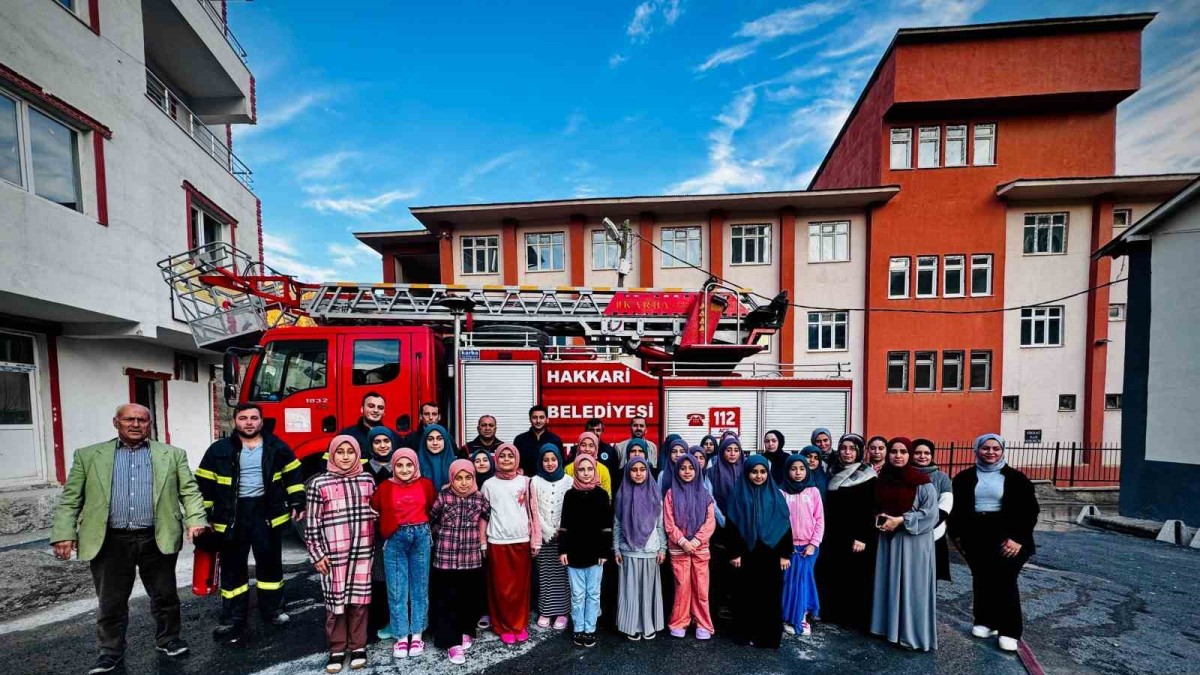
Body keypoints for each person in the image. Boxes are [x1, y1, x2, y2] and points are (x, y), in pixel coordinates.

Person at [50, 403, 207, 674]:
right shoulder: (89, 456)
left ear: (149, 424)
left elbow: (189, 491)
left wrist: (195, 519)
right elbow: (71, 499)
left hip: (156, 537)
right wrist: (64, 533)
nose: (135, 425)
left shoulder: (172, 454)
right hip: (111, 541)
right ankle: (110, 651)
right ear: (116, 423)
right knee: (111, 601)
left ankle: (168, 639)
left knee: (165, 595)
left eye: (142, 420)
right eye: (129, 420)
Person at [197, 403, 305, 644]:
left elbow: (294, 475)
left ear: (261, 421)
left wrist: (297, 501)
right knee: (232, 566)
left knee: (270, 563)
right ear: (235, 421)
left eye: (254, 418)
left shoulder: (277, 447)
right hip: (232, 515)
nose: (249, 422)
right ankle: (232, 617)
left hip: (266, 513)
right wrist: (202, 517)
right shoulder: (218, 450)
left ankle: (273, 610)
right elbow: (204, 484)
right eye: (243, 418)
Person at [949, 433, 1039, 653]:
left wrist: (1018, 539)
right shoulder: (964, 478)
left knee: (1005, 580)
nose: (990, 452)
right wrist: (958, 537)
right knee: (982, 578)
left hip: (1009, 535)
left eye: (996, 448)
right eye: (985, 448)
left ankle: (1010, 631)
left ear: (1002, 451)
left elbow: (1029, 511)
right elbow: (956, 509)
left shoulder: (1017, 478)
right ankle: (985, 621)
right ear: (977, 450)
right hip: (976, 536)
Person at [305, 436, 377, 673]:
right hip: (333, 553)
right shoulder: (319, 483)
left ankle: (358, 646)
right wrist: (317, 554)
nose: (345, 457)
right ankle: (337, 648)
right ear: (332, 455)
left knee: (359, 601)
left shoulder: (367, 480)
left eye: (350, 452)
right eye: (340, 452)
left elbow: (376, 510)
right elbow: (312, 522)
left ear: (357, 454)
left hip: (362, 551)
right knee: (335, 601)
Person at [870, 437, 939, 652]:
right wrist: (880, 517)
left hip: (913, 542)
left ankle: (912, 635)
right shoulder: (883, 480)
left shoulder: (922, 483)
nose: (898, 456)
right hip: (888, 540)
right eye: (894, 451)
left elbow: (931, 515)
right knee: (889, 582)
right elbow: (876, 505)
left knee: (913, 587)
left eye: (903, 452)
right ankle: (888, 630)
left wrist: (901, 520)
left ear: (909, 455)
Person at [370, 448, 436, 659]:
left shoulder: (425, 485)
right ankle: (401, 636)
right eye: (399, 465)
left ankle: (417, 634)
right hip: (395, 538)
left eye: (409, 465)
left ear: (415, 465)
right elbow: (375, 508)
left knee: (420, 587)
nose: (405, 469)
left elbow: (433, 507)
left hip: (421, 536)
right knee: (397, 588)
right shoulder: (385, 487)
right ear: (393, 466)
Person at [725, 455, 793, 649]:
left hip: (770, 553)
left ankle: (767, 637)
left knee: (769, 596)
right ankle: (745, 633)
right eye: (754, 472)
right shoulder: (738, 495)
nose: (759, 476)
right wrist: (735, 553)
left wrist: (784, 554)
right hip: (747, 553)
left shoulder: (775, 495)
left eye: (763, 472)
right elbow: (732, 525)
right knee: (746, 595)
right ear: (747, 472)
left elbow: (785, 525)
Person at [428, 459, 491, 666]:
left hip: (471, 559)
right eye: (459, 478)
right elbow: (431, 518)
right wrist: (440, 533)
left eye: (468, 478)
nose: (463, 482)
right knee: (447, 600)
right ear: (452, 479)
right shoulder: (444, 496)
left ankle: (466, 629)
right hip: (445, 559)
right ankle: (451, 642)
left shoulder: (479, 498)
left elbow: (488, 516)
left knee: (468, 598)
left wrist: (482, 540)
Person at [813, 432, 878, 632]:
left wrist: (862, 537)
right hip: (833, 534)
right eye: (843, 448)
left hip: (855, 536)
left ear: (859, 451)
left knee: (854, 577)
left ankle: (852, 618)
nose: (847, 452)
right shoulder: (833, 471)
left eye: (852, 449)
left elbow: (870, 509)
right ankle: (833, 613)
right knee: (834, 573)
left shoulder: (867, 475)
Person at [479, 443, 542, 643]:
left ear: (517, 459)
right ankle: (502, 626)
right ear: (496, 459)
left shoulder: (526, 481)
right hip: (497, 542)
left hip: (522, 540)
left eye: (510, 456)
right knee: (500, 588)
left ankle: (518, 624)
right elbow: (483, 516)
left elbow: (533, 512)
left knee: (520, 588)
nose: (506, 459)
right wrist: (483, 542)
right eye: (502, 456)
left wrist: (536, 540)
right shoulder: (488, 485)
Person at [559, 454, 612, 648]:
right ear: (575, 471)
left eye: (590, 469)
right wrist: (563, 550)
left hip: (596, 554)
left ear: (595, 470)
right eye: (581, 469)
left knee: (593, 593)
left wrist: (604, 552)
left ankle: (590, 629)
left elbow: (606, 526)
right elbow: (564, 524)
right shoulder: (570, 495)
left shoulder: (602, 495)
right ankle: (578, 628)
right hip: (574, 553)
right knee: (577, 594)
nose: (586, 473)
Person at [663, 455, 717, 639]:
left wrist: (695, 541)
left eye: (691, 468)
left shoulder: (705, 494)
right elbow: (669, 522)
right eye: (683, 468)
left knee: (701, 588)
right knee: (682, 587)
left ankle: (702, 623)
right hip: (679, 549)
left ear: (697, 470)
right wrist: (683, 541)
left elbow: (710, 522)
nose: (687, 472)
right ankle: (680, 621)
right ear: (677, 470)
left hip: (700, 549)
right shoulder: (671, 494)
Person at [613, 457, 667, 641]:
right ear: (628, 472)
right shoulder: (622, 494)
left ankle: (648, 625)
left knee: (648, 591)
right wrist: (616, 549)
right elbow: (617, 525)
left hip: (650, 550)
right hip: (628, 550)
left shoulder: (655, 494)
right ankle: (631, 626)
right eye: (634, 470)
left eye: (642, 470)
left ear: (647, 472)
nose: (638, 473)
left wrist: (662, 549)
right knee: (630, 591)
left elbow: (660, 525)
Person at [780, 454, 824, 637]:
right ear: (787, 471)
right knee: (789, 583)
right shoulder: (781, 492)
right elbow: (778, 522)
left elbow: (819, 520)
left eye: (801, 469)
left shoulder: (813, 491)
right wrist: (784, 547)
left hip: (808, 548)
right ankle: (788, 617)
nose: (798, 473)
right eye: (793, 469)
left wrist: (813, 544)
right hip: (788, 548)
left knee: (804, 582)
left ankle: (802, 617)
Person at [530, 444, 573, 631]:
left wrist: (560, 528)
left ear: (559, 460)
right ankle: (546, 611)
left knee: (563, 575)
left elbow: (571, 507)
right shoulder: (534, 481)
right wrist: (547, 530)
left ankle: (562, 612)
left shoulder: (569, 481)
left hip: (563, 536)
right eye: (546, 460)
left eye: (553, 459)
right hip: (543, 536)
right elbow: (533, 509)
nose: (550, 463)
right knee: (545, 574)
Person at [362, 426, 398, 638]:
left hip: (396, 530)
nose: (383, 446)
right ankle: (379, 619)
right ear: (371, 445)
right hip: (371, 532)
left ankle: (396, 620)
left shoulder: (401, 466)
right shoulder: (364, 469)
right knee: (378, 576)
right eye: (377, 442)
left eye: (386, 441)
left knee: (396, 577)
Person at [706, 435, 744, 621]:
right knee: (720, 568)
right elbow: (710, 498)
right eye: (728, 450)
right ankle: (720, 606)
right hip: (720, 527)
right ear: (721, 451)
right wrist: (723, 519)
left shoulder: (746, 470)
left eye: (736, 450)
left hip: (742, 526)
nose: (732, 454)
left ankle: (736, 604)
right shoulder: (712, 472)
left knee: (739, 566)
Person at [911, 438, 954, 581]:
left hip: (934, 533)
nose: (922, 456)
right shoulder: (903, 475)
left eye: (927, 453)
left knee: (930, 576)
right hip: (908, 531)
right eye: (918, 453)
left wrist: (927, 524)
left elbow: (945, 504)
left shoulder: (942, 477)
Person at [513, 405, 564, 478]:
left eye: (541, 417)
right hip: (525, 481)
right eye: (535, 417)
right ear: (530, 419)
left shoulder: (555, 440)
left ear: (547, 419)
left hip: (548, 481)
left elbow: (561, 464)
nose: (538, 421)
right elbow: (515, 464)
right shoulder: (520, 440)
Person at [338, 392, 389, 457]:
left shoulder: (393, 436)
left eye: (380, 408)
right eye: (371, 406)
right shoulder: (346, 434)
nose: (376, 410)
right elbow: (327, 457)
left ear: (384, 412)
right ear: (362, 409)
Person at [566, 432, 613, 497]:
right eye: (583, 445)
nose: (587, 449)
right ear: (578, 447)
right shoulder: (569, 469)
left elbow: (608, 497)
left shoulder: (603, 470)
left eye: (591, 446)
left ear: (596, 448)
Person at [416, 424, 455, 492]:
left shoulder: (456, 466)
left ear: (445, 440)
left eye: (439, 439)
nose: (435, 443)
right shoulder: (415, 466)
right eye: (430, 439)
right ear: (424, 441)